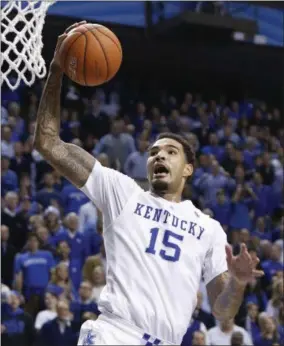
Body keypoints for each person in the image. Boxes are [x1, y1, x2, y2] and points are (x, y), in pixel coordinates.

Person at [33, 22, 264, 346]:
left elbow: (224, 313)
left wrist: (238, 282)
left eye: (171, 152)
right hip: (113, 334)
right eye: (153, 152)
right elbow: (49, 143)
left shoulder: (209, 229)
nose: (159, 157)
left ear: (188, 169)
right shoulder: (124, 194)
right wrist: (57, 68)